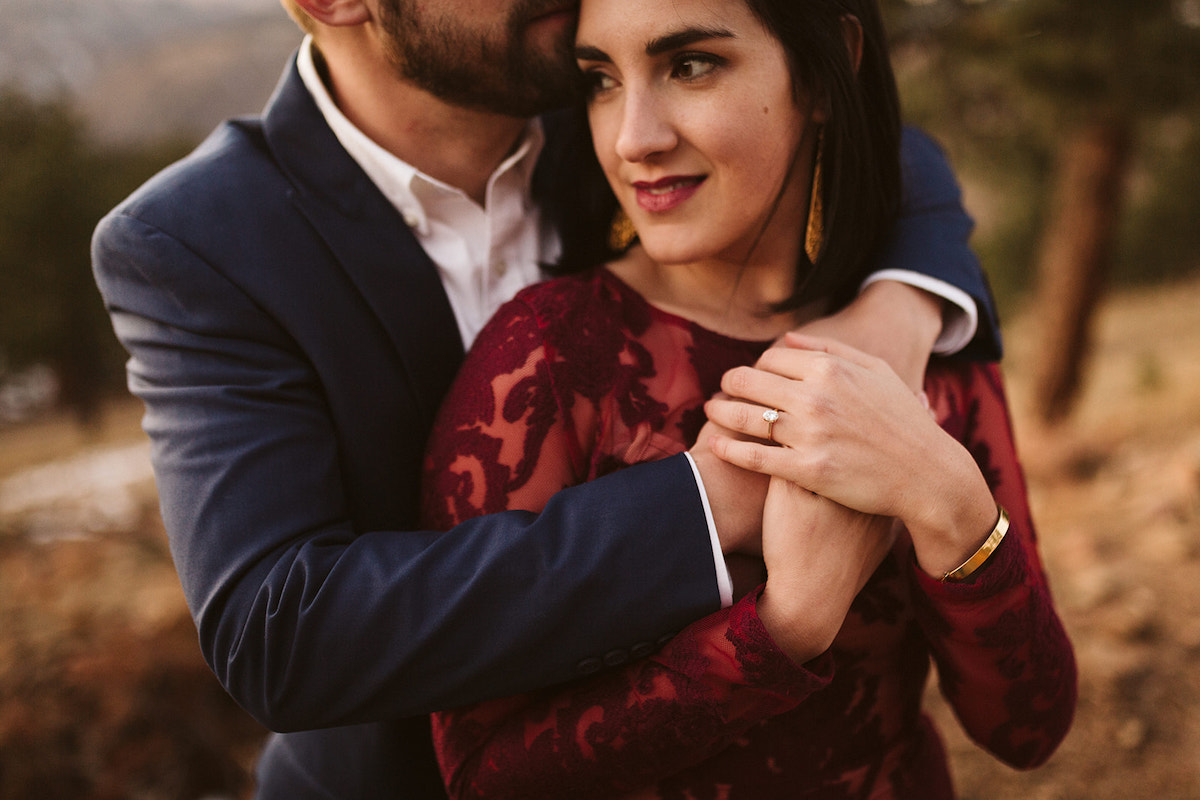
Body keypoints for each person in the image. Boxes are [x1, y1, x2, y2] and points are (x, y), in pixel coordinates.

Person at [90, 0, 1002, 797]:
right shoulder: (197, 242)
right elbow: (279, 631)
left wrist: (902, 305)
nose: (632, 114)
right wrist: (710, 499)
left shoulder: (601, 106)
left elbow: (859, 128)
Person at [419, 0, 1076, 797]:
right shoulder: (549, 360)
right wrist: (783, 630)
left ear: (830, 64)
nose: (633, 138)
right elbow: (482, 775)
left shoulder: (914, 330)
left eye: (691, 65)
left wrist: (951, 506)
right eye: (600, 80)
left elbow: (1028, 729)